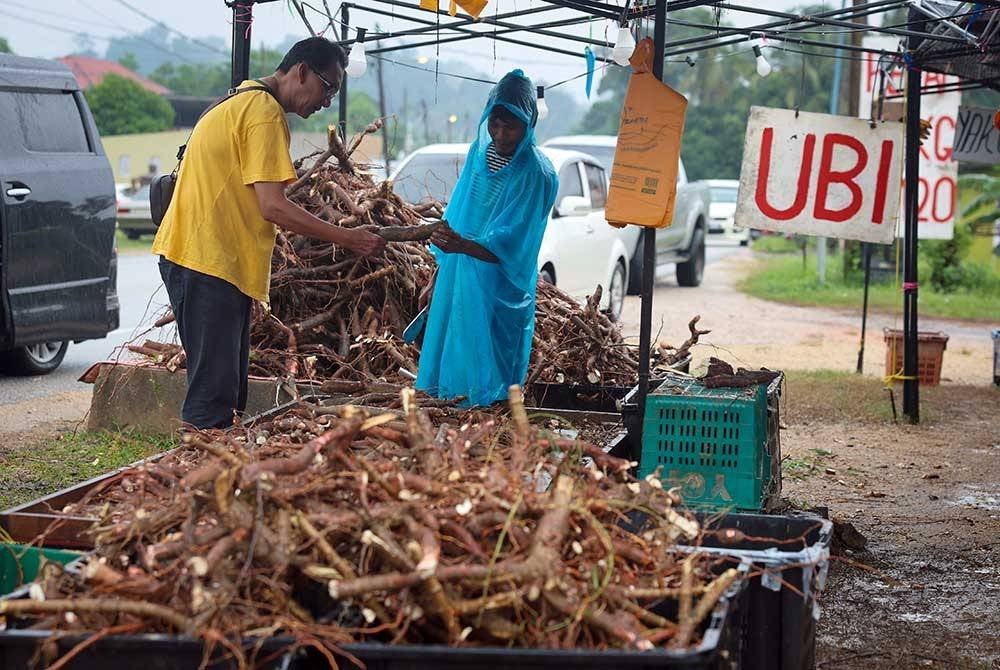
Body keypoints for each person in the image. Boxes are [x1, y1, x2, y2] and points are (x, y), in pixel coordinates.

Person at [152, 37, 385, 429]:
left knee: (226, 394)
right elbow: (273, 206)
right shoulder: (263, 114)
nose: (327, 101)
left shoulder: (241, 100)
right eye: (328, 88)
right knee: (213, 400)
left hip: (207, 262)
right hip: (208, 263)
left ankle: (215, 475)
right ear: (302, 72)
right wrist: (349, 237)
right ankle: (197, 479)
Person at [416, 69, 558, 407]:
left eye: (510, 126)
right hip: (460, 272)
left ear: (529, 125)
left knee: (493, 362)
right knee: (452, 348)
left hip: (501, 286)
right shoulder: (479, 156)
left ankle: (489, 421)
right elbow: (459, 211)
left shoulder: (537, 173)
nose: (500, 134)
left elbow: (515, 243)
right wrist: (442, 266)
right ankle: (449, 413)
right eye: (495, 123)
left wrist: (464, 245)